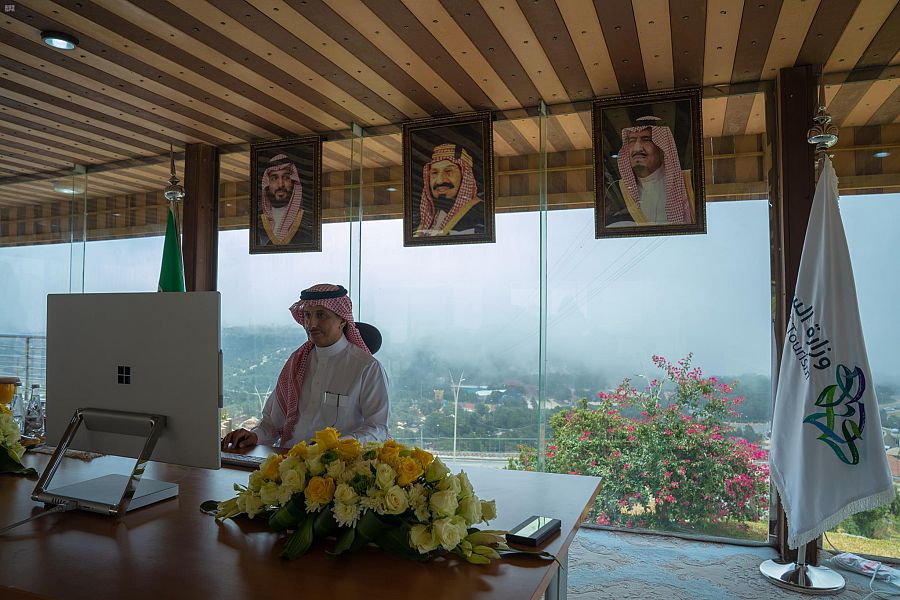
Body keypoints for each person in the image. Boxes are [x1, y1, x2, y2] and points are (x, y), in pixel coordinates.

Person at [221, 284, 389, 450]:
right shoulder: (297, 362)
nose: (311, 324)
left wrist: (336, 445)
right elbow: (272, 424)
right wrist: (255, 436)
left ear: (342, 320)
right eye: (307, 315)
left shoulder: (367, 368)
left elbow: (377, 429)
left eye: (321, 315)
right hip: (289, 459)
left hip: (338, 463)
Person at [605, 116, 695, 227]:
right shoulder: (619, 189)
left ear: (662, 148)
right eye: (632, 141)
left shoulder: (689, 181)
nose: (637, 148)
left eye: (646, 139)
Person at [414, 143, 485, 237]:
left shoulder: (477, 212)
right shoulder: (419, 218)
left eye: (448, 171)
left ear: (465, 177)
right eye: (434, 173)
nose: (440, 181)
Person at [257, 153, 311, 246]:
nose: (280, 184)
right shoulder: (260, 220)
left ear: (293, 182)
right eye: (274, 178)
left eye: (286, 178)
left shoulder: (306, 217)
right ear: (267, 184)